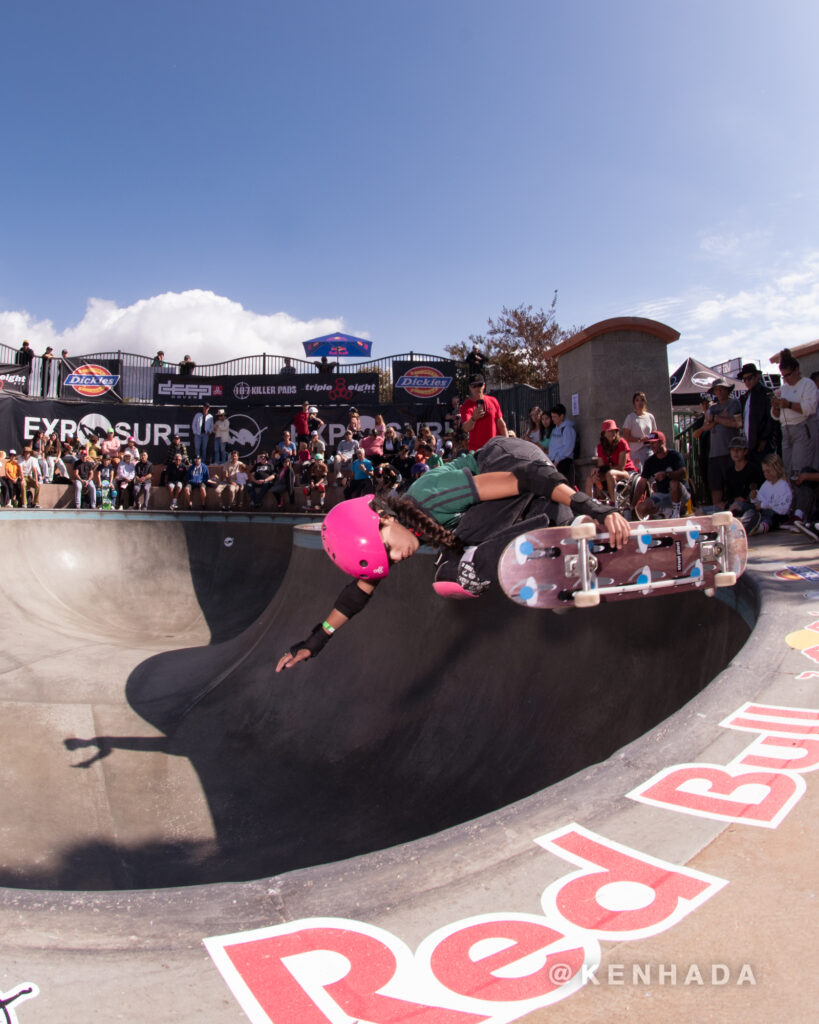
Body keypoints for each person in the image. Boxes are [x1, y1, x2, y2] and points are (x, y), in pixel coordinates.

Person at [276, 436, 630, 672]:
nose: (397, 559)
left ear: (384, 520)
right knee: (451, 567)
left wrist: (596, 509)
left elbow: (526, 477)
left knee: (454, 569)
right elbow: (355, 595)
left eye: (389, 552)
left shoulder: (428, 496)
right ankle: (555, 541)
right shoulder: (395, 532)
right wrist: (316, 640)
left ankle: (566, 518)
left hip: (511, 461)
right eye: (390, 561)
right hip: (513, 498)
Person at [772, 348, 818, 476]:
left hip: (802, 428)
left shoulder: (807, 384)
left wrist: (789, 404)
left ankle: (804, 496)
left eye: (788, 375)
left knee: (800, 470)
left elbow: (810, 408)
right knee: (788, 470)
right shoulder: (783, 388)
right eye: (783, 376)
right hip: (785, 431)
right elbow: (777, 417)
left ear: (796, 370)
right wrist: (775, 407)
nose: (786, 379)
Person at [632, 431, 690, 520]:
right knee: (642, 508)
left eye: (654, 443)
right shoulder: (650, 461)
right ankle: (664, 512)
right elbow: (642, 483)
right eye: (650, 443)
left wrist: (667, 474)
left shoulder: (674, 455)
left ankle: (676, 513)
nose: (652, 446)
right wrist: (632, 505)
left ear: (662, 442)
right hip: (663, 495)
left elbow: (682, 473)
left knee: (673, 483)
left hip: (680, 494)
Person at [741, 454, 793, 536]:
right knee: (748, 509)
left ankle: (759, 528)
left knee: (770, 515)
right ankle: (743, 524)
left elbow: (783, 509)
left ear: (776, 469)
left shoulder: (784, 486)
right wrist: (754, 497)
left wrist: (763, 505)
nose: (766, 474)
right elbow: (760, 500)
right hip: (763, 511)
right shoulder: (766, 484)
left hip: (778, 515)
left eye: (768, 471)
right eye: (764, 471)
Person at [590, 420, 637, 504]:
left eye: (613, 431)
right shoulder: (600, 447)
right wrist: (596, 471)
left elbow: (621, 467)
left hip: (626, 472)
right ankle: (593, 505)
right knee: (592, 478)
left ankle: (613, 503)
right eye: (609, 431)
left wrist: (605, 468)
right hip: (610, 471)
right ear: (604, 434)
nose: (612, 433)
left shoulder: (622, 443)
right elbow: (601, 465)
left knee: (610, 474)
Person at [459, 375, 508, 451]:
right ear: (470, 387)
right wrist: (473, 419)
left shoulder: (493, 401)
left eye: (479, 385)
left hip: (494, 447)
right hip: (477, 450)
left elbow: (501, 424)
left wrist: (507, 444)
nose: (477, 388)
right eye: (474, 386)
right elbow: (465, 428)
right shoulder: (466, 406)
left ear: (484, 385)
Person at [738, 363, 774, 462]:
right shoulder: (745, 397)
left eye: (749, 378)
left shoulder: (766, 393)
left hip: (762, 444)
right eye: (744, 379)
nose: (746, 382)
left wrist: (764, 439)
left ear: (757, 377)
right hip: (749, 444)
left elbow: (771, 418)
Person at [620, 392, 657, 470]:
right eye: (637, 400)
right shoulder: (630, 418)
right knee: (639, 474)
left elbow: (655, 433)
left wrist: (649, 438)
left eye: (642, 400)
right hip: (635, 451)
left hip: (648, 449)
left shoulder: (650, 417)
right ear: (634, 403)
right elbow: (626, 437)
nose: (640, 402)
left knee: (651, 472)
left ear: (645, 402)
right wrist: (640, 440)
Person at [547, 404, 577, 486]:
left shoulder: (568, 429)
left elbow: (568, 448)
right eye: (552, 416)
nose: (553, 419)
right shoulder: (554, 429)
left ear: (562, 416)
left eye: (555, 417)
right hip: (554, 462)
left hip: (564, 463)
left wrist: (557, 460)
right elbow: (552, 446)